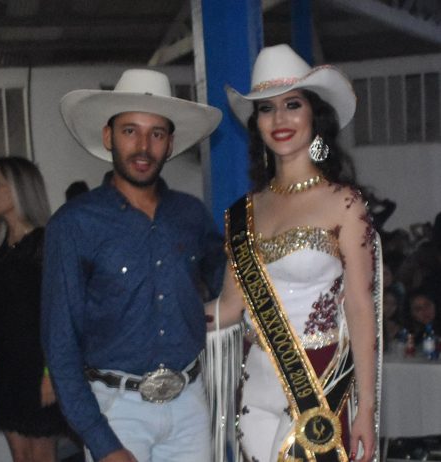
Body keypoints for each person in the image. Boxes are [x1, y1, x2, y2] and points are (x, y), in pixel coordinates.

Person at [207, 44, 380, 462]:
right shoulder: (243, 212)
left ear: (313, 115)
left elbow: (360, 307)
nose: (280, 119)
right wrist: (162, 316)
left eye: (292, 105)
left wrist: (367, 407)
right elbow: (228, 309)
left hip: (318, 384)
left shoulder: (344, 203)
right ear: (257, 123)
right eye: (266, 109)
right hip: (255, 387)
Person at [41, 69, 225, 462]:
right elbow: (60, 344)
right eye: (130, 131)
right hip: (116, 412)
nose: (143, 146)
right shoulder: (74, 225)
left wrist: (207, 310)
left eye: (156, 133)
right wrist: (102, 442)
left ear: (170, 144)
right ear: (108, 136)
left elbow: (226, 277)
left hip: (190, 404)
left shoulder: (191, 215)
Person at [0, 156, 67, 462]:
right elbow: (0, 313)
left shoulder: (44, 243)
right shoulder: (0, 249)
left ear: (18, 189)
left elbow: (58, 313)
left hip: (37, 361)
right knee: (20, 455)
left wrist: (51, 373)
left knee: (40, 454)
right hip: (6, 362)